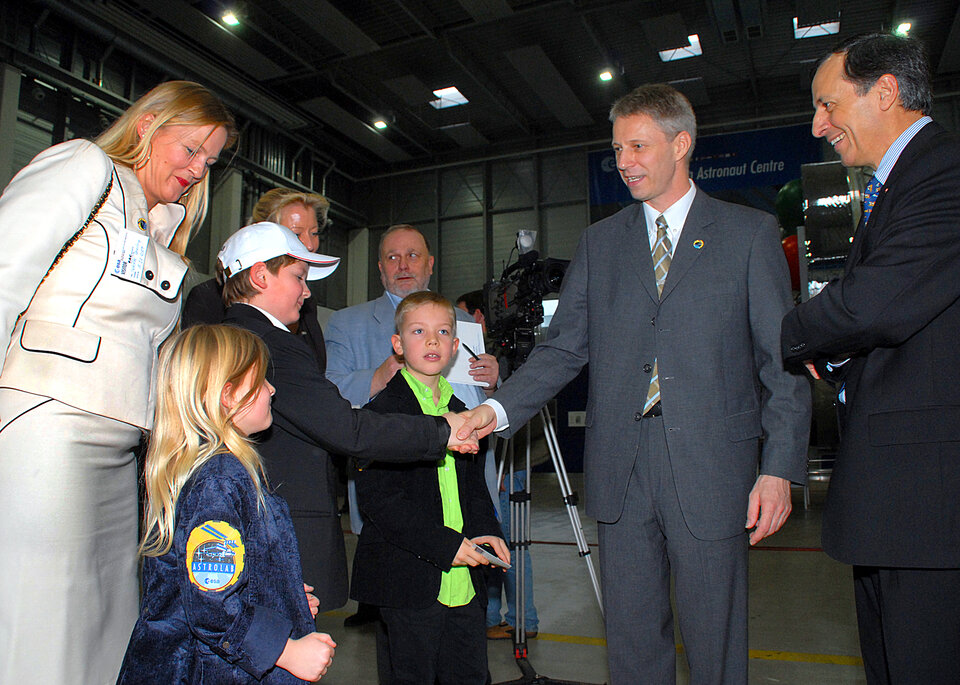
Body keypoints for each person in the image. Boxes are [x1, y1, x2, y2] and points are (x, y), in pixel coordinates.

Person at [457, 84, 811, 683]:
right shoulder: (602, 242)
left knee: (715, 642)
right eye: (617, 149)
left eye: (638, 146)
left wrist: (778, 468)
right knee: (632, 642)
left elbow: (780, 363)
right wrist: (497, 411)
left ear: (682, 144)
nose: (623, 162)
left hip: (712, 467)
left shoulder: (747, 235)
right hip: (622, 467)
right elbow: (564, 346)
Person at [0, 80, 236, 683]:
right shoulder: (85, 166)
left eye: (209, 162)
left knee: (105, 624)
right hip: (46, 424)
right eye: (189, 151)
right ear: (146, 126)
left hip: (119, 447)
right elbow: (5, 273)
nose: (196, 171)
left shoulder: (162, 228)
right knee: (44, 621)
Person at [781, 33, 960, 684]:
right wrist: (833, 362)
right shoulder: (899, 188)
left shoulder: (942, 173)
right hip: (898, 507)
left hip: (928, 511)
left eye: (828, 105)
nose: (817, 124)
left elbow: (872, 305)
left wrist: (792, 333)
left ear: (885, 92)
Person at [217, 221, 480, 615]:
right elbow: (348, 429)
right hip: (281, 530)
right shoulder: (271, 344)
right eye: (298, 278)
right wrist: (442, 430)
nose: (307, 293)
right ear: (259, 275)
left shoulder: (230, 333)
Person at [117, 324, 336, 683]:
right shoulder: (218, 481)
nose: (272, 389)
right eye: (262, 379)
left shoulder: (213, 473)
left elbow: (224, 576)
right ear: (228, 395)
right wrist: (286, 650)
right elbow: (211, 607)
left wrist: (283, 596)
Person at [324, 224, 500, 626]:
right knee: (409, 628)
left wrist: (494, 381)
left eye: (413, 255)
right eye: (392, 257)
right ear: (380, 269)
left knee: (462, 636)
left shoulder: (462, 323)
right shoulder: (347, 324)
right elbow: (329, 394)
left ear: (431, 264)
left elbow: (478, 403)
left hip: (463, 478)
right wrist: (377, 377)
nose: (403, 265)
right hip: (399, 489)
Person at [351, 291, 509, 684]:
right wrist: (445, 545)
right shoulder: (379, 417)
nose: (433, 340)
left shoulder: (466, 413)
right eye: (419, 331)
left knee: (470, 674)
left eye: (442, 332)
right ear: (398, 344)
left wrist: (486, 528)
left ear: (456, 347)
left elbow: (474, 488)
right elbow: (382, 503)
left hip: (465, 581)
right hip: (409, 581)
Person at [457, 290, 540, 640]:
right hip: (491, 461)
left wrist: (503, 472)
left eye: (460, 318)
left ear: (478, 317)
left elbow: (525, 409)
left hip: (509, 463)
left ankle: (524, 621)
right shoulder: (474, 358)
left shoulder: (500, 358)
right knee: (489, 541)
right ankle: (492, 618)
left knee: (508, 545)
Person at [183, 187, 331, 370]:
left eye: (314, 233)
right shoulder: (209, 298)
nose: (309, 244)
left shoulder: (306, 302)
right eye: (296, 234)